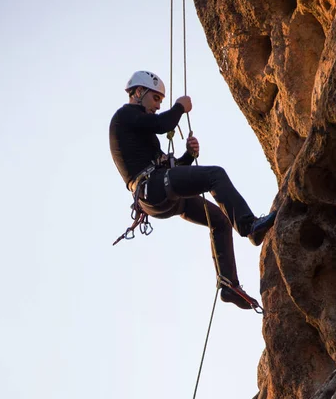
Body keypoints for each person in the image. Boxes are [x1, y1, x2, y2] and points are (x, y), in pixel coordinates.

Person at [109, 70, 277, 310]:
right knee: (215, 175)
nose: (158, 106)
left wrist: (188, 155)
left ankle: (229, 285)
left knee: (219, 219)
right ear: (138, 92)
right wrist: (179, 106)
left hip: (160, 195)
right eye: (155, 98)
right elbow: (161, 124)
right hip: (153, 188)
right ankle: (249, 227)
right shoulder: (125, 116)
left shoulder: (139, 128)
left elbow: (173, 170)